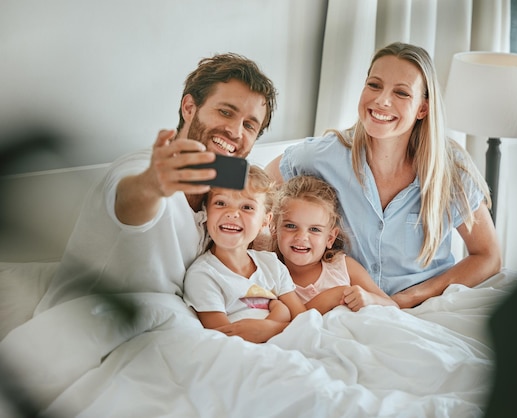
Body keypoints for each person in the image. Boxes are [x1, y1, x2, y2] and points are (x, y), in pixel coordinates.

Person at [34, 53, 287, 342]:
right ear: (190, 107)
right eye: (226, 112)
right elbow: (129, 202)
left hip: (162, 330)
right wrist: (153, 184)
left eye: (249, 125)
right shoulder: (140, 168)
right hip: (87, 326)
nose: (235, 131)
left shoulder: (219, 199)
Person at [266, 42, 502, 309]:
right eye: (374, 85)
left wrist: (408, 299)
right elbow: (260, 189)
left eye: (401, 93)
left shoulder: (450, 169)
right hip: (350, 308)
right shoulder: (322, 156)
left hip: (428, 307)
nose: (381, 101)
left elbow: (488, 256)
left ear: (423, 108)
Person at [183, 166, 305, 342]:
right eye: (221, 203)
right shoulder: (203, 275)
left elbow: (304, 321)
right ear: (207, 212)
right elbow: (223, 337)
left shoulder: (271, 265)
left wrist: (270, 328)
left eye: (247, 207)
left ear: (265, 220)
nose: (232, 213)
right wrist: (278, 317)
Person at [271, 175, 398, 314]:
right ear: (274, 229)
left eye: (314, 229)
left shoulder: (342, 267)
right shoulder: (269, 275)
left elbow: (392, 306)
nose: (301, 237)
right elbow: (291, 322)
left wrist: (369, 299)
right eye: (290, 226)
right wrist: (334, 295)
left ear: (330, 238)